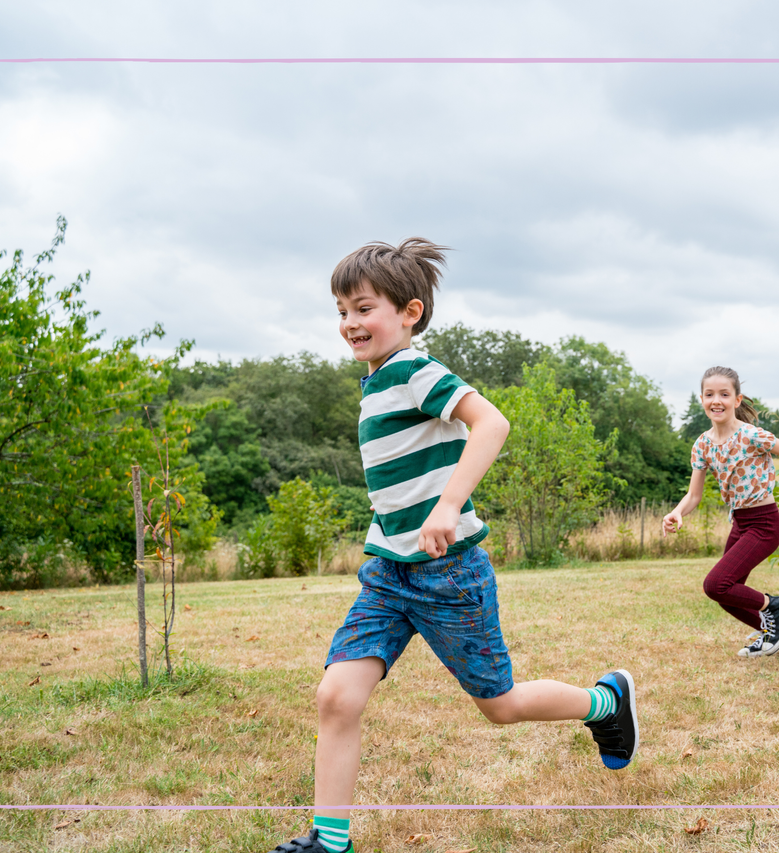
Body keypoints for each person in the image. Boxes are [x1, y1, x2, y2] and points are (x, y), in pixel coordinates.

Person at [268, 239, 638, 853]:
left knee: (500, 705)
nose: (349, 324)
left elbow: (492, 423)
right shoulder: (376, 382)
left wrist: (446, 505)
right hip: (389, 572)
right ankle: (329, 841)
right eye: (341, 311)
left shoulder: (417, 370)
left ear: (410, 312)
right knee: (336, 695)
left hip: (449, 573)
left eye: (363, 308)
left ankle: (606, 702)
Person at [662, 366, 779, 659]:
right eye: (710, 394)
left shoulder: (751, 435)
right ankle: (768, 633)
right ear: (701, 399)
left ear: (737, 400)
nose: (717, 400)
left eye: (724, 394)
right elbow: (694, 495)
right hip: (739, 523)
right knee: (727, 594)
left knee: (716, 584)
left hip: (763, 524)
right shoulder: (702, 444)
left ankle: (776, 606)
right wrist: (677, 512)